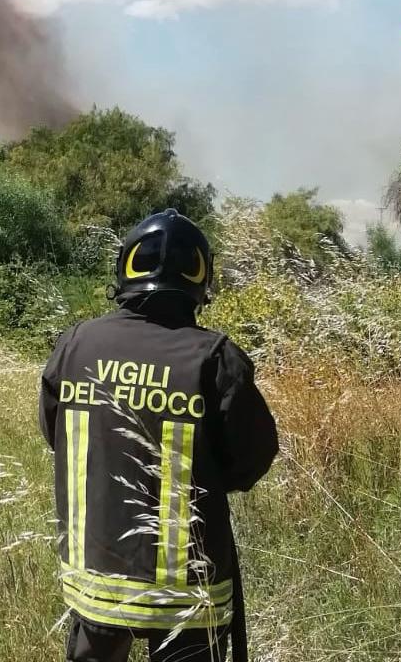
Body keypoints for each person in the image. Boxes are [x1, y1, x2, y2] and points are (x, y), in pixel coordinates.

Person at [39, 208, 279, 662]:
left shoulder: (75, 345)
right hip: (188, 595)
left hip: (95, 581)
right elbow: (251, 459)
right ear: (201, 280)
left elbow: (55, 434)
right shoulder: (215, 358)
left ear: (125, 270)